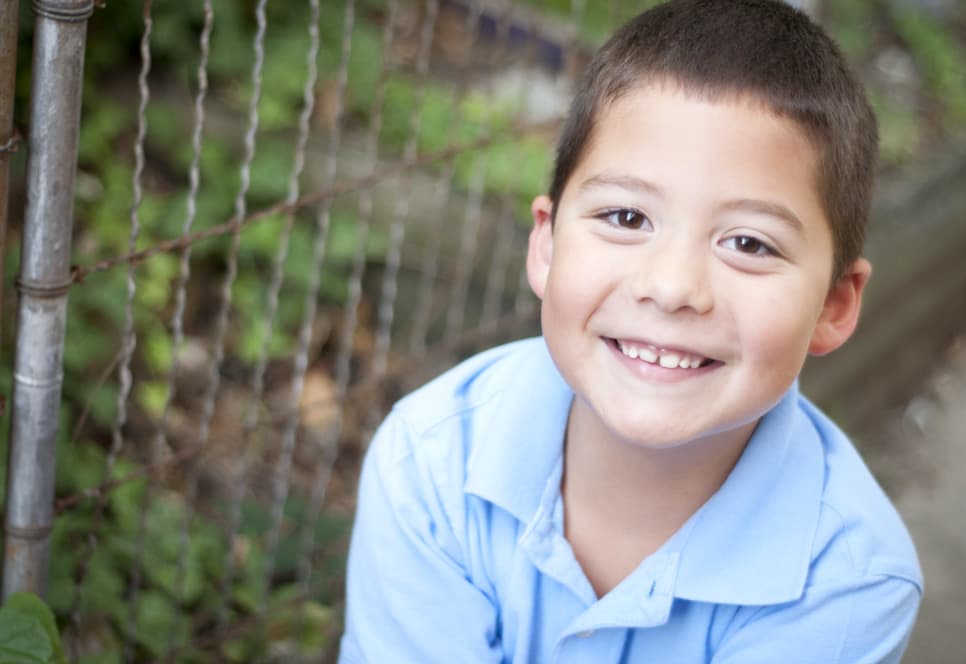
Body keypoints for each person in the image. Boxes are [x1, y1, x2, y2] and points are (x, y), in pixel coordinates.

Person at [339, 0, 923, 661]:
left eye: (750, 243)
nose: (672, 287)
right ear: (548, 247)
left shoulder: (849, 584)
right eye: (625, 216)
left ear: (834, 306)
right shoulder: (433, 459)